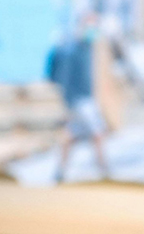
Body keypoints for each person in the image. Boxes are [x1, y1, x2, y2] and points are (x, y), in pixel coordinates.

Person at [47, 15, 109, 182]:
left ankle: (60, 172)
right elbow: (63, 79)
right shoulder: (72, 51)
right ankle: (104, 172)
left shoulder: (87, 48)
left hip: (86, 99)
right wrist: (67, 106)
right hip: (79, 101)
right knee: (98, 133)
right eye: (90, 26)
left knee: (71, 137)